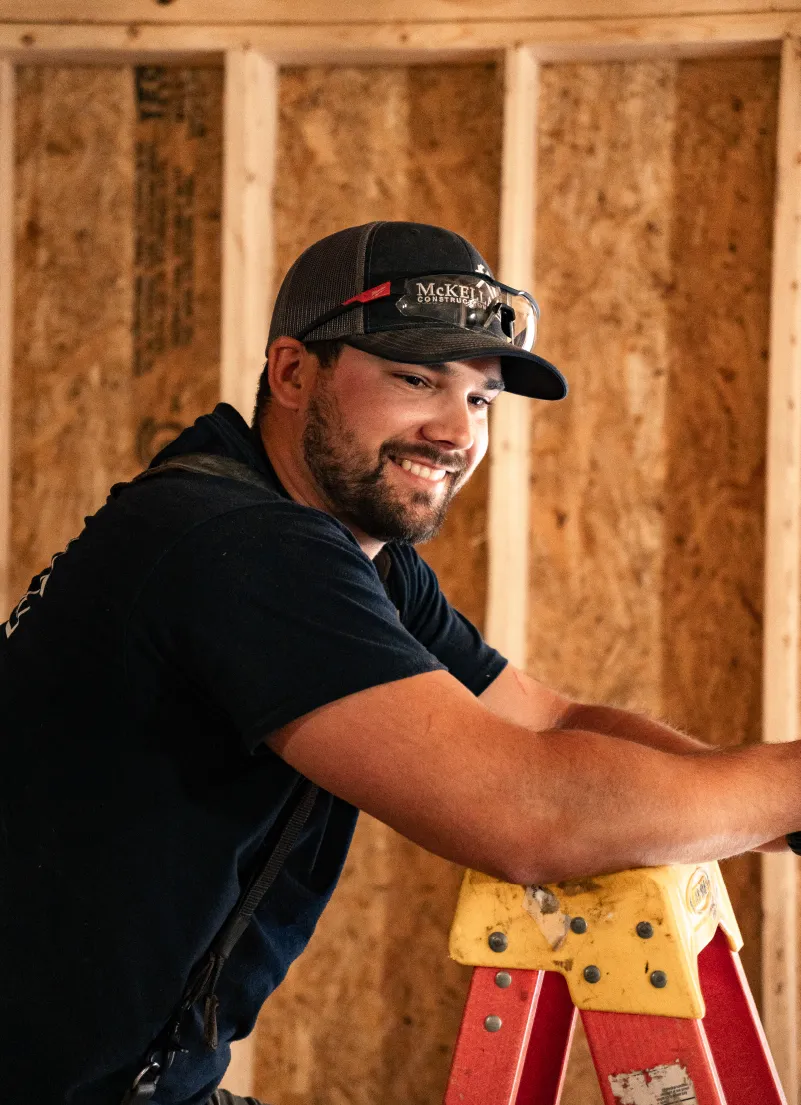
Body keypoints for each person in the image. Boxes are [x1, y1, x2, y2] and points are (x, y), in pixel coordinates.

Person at [1, 220, 798, 1105]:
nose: (456, 430)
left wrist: (771, 807)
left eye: (482, 398)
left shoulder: (344, 551)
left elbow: (553, 721)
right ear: (293, 373)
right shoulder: (239, 544)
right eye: (417, 378)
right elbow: (526, 812)